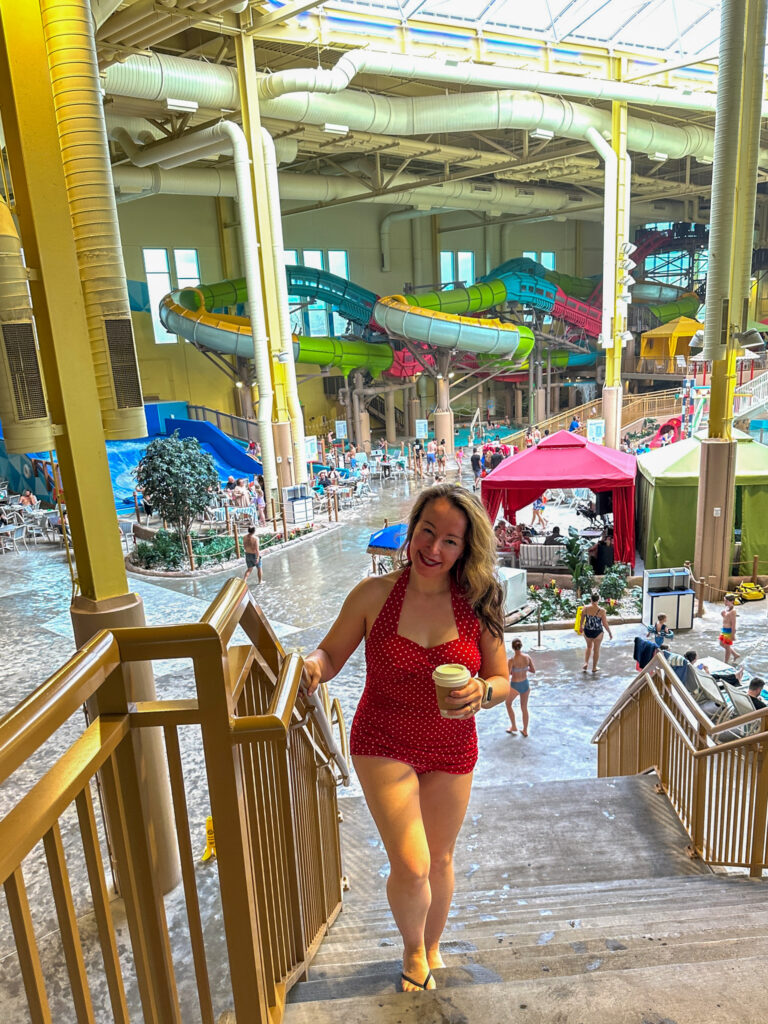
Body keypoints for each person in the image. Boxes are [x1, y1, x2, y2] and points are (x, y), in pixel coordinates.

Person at [301, 484, 509, 993]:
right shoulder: (373, 595)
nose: (434, 549)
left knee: (439, 859)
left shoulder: (478, 602)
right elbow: (330, 655)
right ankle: (413, 948)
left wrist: (483, 691)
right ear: (412, 530)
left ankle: (432, 945)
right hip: (383, 740)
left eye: (450, 541)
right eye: (427, 532)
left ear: (466, 549)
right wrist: (310, 667)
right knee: (412, 864)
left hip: (451, 744)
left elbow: (504, 680)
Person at [506, 638, 535, 736]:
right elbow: (533, 670)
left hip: (515, 685)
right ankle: (525, 730)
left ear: (513, 648)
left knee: (508, 703)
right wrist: (524, 669)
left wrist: (515, 671)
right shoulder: (527, 657)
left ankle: (514, 726)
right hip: (525, 684)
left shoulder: (511, 660)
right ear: (521, 646)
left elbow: (508, 674)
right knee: (524, 707)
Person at [579, 592, 613, 673]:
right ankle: (594, 668)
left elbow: (582, 619)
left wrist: (581, 627)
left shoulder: (585, 608)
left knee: (589, 647)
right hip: (598, 632)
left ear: (591, 599)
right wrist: (609, 632)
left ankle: (586, 663)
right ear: (598, 600)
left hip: (587, 631)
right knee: (596, 650)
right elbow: (605, 624)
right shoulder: (602, 611)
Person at [720, 593, 741, 665]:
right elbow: (727, 619)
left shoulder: (733, 611)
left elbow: (733, 623)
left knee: (727, 647)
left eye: (726, 601)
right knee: (721, 644)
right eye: (724, 601)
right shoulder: (727, 608)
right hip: (724, 629)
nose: (725, 602)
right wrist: (723, 615)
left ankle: (725, 662)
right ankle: (735, 654)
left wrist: (733, 634)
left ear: (732, 601)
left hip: (729, 630)